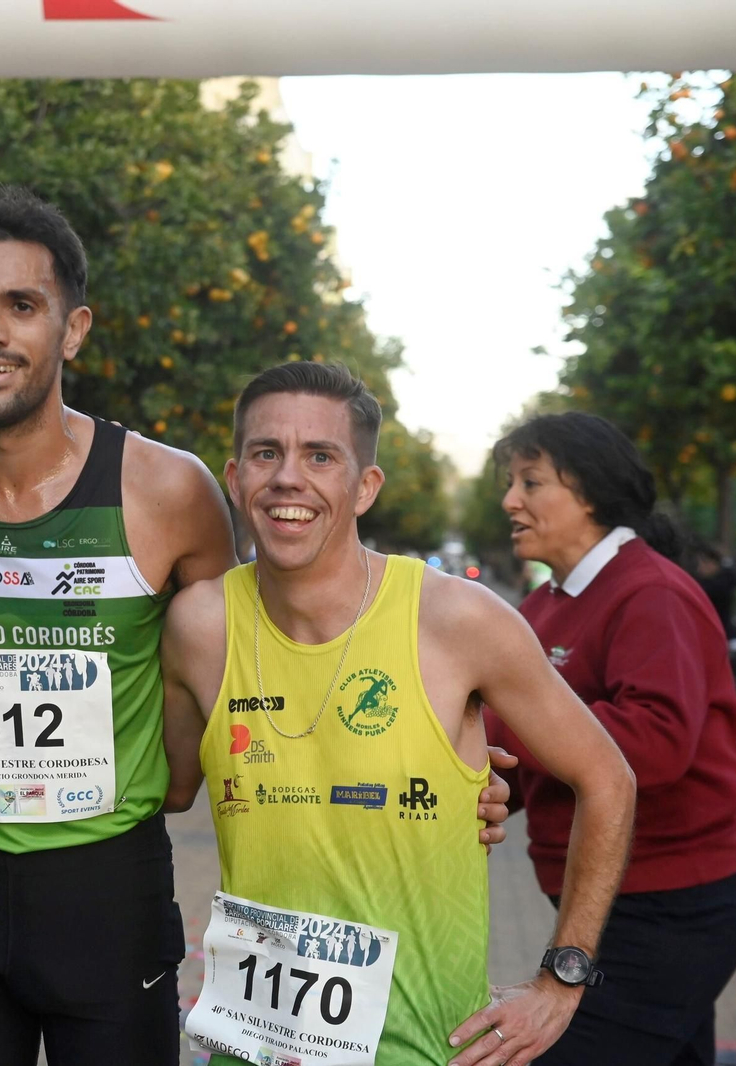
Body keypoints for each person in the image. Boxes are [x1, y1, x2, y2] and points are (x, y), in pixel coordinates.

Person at [0, 188, 514, 1066]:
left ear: (73, 329)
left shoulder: (170, 490)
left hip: (108, 882)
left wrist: (445, 777)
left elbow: (257, 659)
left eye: (22, 305)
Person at [160, 363, 636, 1066]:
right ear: (235, 478)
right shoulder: (198, 625)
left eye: (320, 456)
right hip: (253, 1049)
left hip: (424, 1051)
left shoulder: (457, 619)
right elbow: (166, 788)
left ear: (365, 487)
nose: (288, 477)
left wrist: (562, 980)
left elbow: (608, 780)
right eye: (267, 453)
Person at [490, 411, 736, 1066]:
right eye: (511, 482)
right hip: (597, 899)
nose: (509, 501)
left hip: (668, 908)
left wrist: (525, 735)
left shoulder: (652, 595)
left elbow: (657, 741)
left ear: (591, 493)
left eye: (531, 481)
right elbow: (511, 750)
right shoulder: (543, 605)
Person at [688, 536, 736, 634]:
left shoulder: (718, 584)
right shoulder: (725, 580)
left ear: (713, 563)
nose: (700, 567)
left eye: (704, 562)